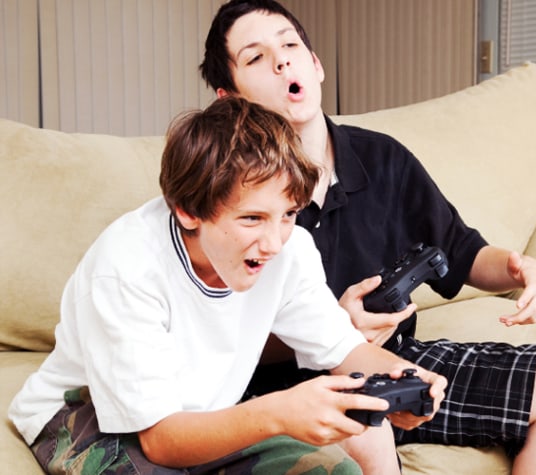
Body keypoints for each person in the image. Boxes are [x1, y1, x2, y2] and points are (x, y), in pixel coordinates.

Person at [200, 1, 536, 472]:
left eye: (289, 45)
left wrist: (518, 265)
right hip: (282, 388)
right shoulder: (223, 192)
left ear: (316, 64)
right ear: (230, 99)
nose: (282, 60)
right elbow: (213, 340)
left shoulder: (383, 158)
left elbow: (461, 252)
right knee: (369, 430)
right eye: (256, 58)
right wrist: (328, 333)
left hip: (392, 362)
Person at [8, 96, 447, 475]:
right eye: (252, 218)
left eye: (289, 214)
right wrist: (277, 413)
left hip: (198, 418)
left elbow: (344, 349)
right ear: (188, 211)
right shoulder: (126, 267)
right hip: (86, 415)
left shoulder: (290, 251)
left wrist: (402, 378)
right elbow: (160, 441)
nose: (274, 242)